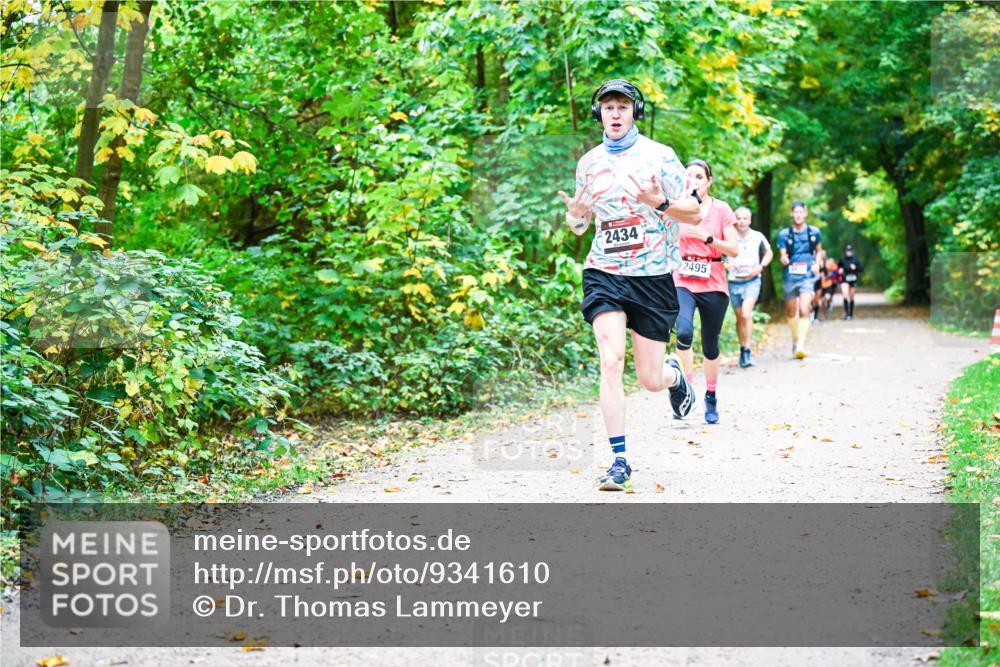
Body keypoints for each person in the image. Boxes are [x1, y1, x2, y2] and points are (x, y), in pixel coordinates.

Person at [557, 79, 702, 491]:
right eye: (608, 107)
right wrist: (577, 217)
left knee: (649, 379)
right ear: (598, 114)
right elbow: (580, 225)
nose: (615, 113)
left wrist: (659, 203)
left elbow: (692, 212)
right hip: (604, 272)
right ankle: (619, 461)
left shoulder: (661, 156)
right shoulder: (588, 163)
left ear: (634, 112)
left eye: (623, 106)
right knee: (610, 361)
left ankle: (675, 376)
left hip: (653, 276)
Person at [672, 159, 740, 424]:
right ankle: (686, 391)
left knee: (710, 345)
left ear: (709, 181)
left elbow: (733, 249)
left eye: (699, 176)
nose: (694, 181)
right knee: (684, 332)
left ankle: (711, 396)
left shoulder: (722, 209)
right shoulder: (676, 207)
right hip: (683, 278)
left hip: (713, 279)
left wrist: (707, 238)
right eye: (689, 176)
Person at [726, 206, 772, 368]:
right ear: (734, 220)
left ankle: (747, 349)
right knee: (740, 318)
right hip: (734, 281)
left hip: (752, 280)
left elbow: (769, 253)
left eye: (745, 218)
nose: (742, 221)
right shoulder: (729, 236)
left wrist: (761, 266)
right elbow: (717, 253)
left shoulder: (757, 236)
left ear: (750, 220)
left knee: (746, 313)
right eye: (739, 218)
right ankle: (742, 348)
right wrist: (725, 265)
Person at [777, 200, 823, 359]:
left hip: (807, 276)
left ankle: (801, 345)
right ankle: (795, 339)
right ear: (792, 214)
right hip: (790, 276)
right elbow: (783, 254)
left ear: (805, 213)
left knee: (804, 309)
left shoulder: (814, 232)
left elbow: (819, 251)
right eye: (795, 212)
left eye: (800, 212)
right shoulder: (784, 234)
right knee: (791, 311)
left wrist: (817, 263)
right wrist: (783, 258)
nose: (798, 215)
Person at [838, 244, 864, 320]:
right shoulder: (842, 260)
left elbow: (861, 269)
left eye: (850, 251)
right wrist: (839, 270)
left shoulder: (855, 260)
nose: (849, 252)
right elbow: (837, 267)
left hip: (853, 279)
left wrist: (855, 267)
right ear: (845, 251)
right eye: (847, 251)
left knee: (851, 296)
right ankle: (846, 313)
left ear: (852, 252)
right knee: (845, 294)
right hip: (844, 279)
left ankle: (851, 314)